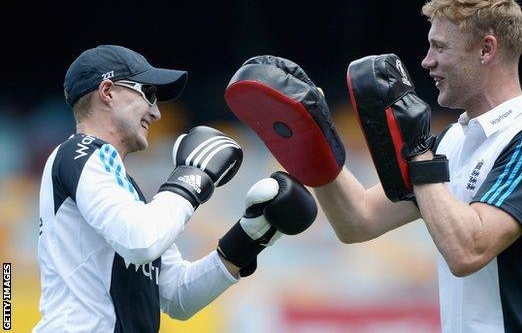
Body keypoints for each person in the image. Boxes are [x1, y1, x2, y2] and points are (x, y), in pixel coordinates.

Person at [225, 0, 522, 332]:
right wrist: (317, 139)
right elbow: (358, 220)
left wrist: (416, 151)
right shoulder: (454, 140)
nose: (427, 61)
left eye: (440, 47)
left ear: (486, 49)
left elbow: (468, 251)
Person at [35, 45, 317, 332]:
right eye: (149, 94)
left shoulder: (126, 192)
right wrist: (191, 178)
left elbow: (179, 296)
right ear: (107, 92)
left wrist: (250, 237)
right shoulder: (80, 151)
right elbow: (141, 241)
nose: (156, 112)